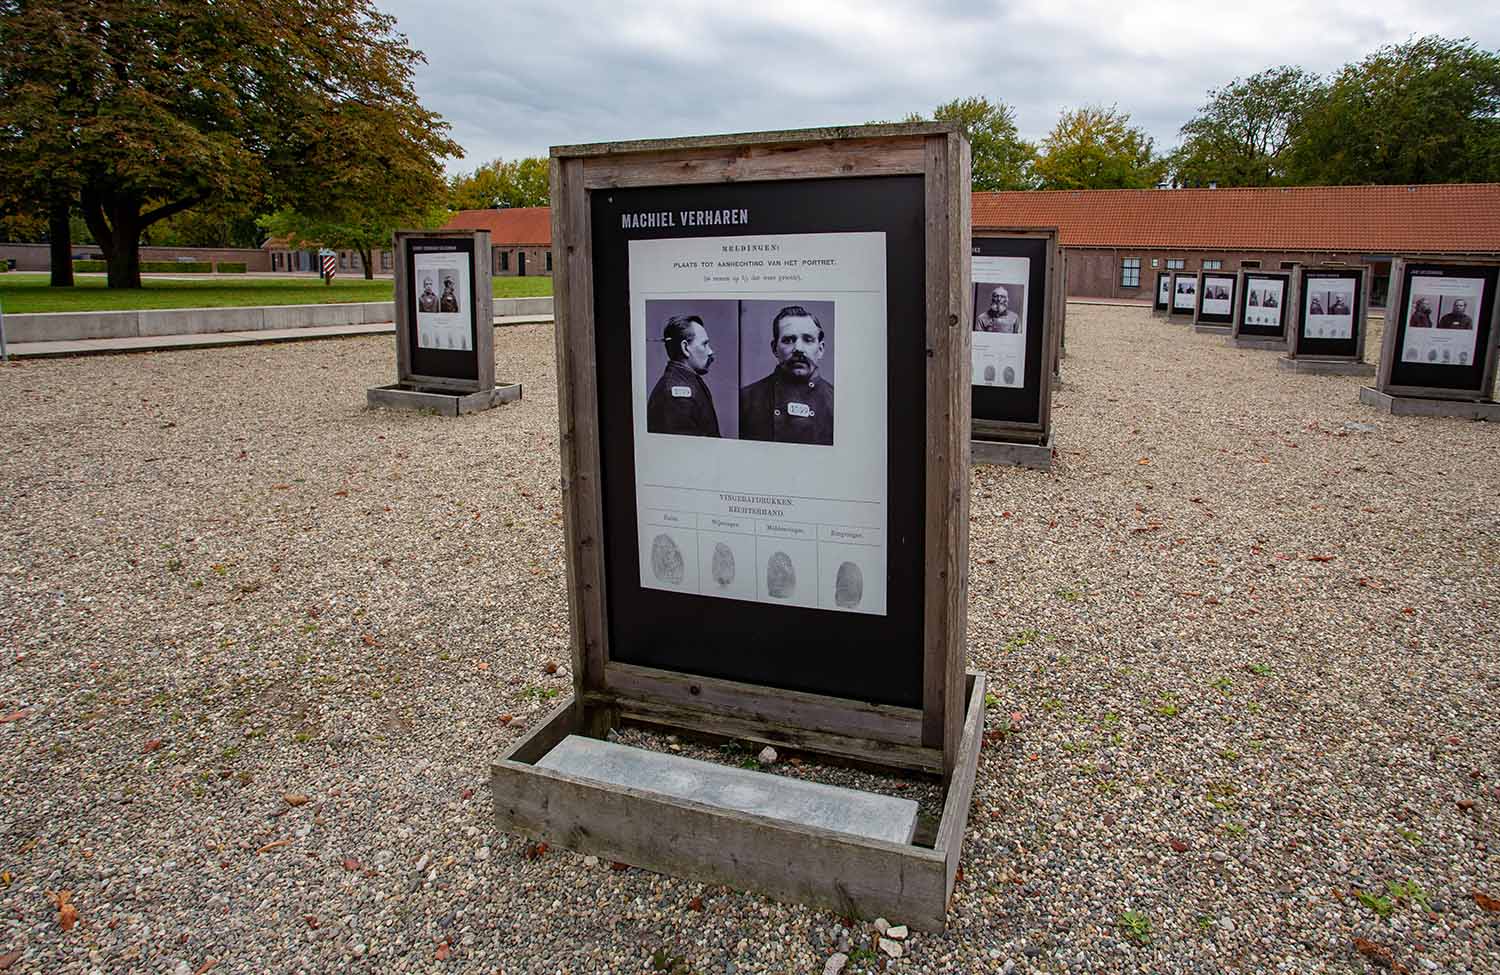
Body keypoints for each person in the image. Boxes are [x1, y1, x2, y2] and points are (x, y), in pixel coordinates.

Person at [740, 305, 833, 445]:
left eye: (808, 340)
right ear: (774, 348)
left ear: (820, 349)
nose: (798, 349)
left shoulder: (837, 403)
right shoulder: (746, 400)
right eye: (788, 340)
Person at [647, 315, 720, 437]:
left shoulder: (687, 381)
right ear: (685, 348)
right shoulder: (677, 395)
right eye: (704, 344)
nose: (710, 351)